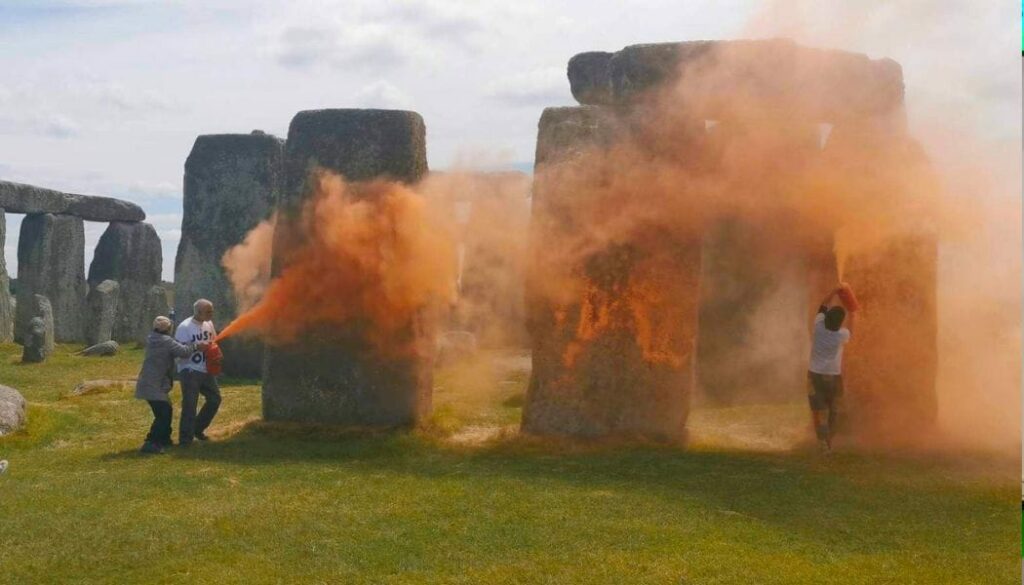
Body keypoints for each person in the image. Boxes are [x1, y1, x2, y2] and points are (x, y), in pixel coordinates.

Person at [135, 316, 208, 454]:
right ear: (168, 329)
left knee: (165, 411)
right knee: (163, 414)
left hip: (149, 381)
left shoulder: (152, 338)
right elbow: (184, 352)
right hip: (155, 383)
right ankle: (152, 442)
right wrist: (197, 346)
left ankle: (164, 439)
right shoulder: (166, 341)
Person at [807, 283, 857, 454]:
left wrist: (834, 291)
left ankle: (822, 442)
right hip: (834, 378)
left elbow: (823, 304)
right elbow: (852, 329)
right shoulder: (841, 335)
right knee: (834, 411)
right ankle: (829, 441)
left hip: (814, 376)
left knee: (819, 410)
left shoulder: (818, 326)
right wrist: (852, 311)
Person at [175, 299, 221, 446]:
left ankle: (197, 428)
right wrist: (195, 346)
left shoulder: (209, 324)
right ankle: (185, 440)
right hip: (190, 370)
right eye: (208, 311)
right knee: (190, 405)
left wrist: (215, 353)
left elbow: (213, 342)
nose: (211, 314)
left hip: (206, 369)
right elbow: (179, 352)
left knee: (215, 399)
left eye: (211, 310)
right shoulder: (184, 327)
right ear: (198, 312)